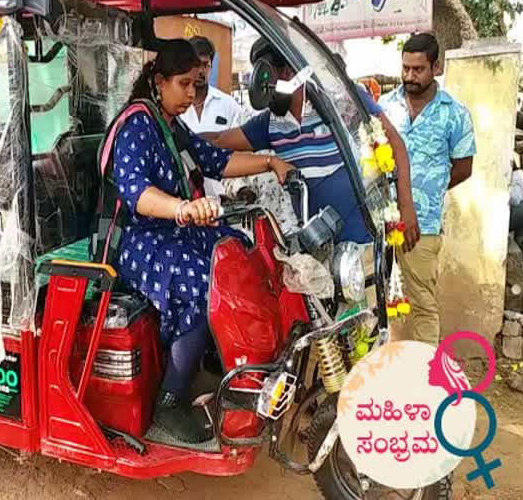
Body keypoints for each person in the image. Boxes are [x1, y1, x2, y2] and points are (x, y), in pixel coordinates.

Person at [111, 39, 293, 443]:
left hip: (176, 229)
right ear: (159, 82)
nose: (191, 94)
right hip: (142, 240)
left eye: (196, 85)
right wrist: (182, 208)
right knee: (203, 284)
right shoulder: (137, 124)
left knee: (237, 248)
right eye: (184, 85)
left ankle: (226, 361)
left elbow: (218, 160)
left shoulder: (172, 126)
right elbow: (135, 192)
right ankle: (171, 401)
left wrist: (269, 162)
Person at [203, 38, 419, 248]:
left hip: (362, 242)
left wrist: (406, 207)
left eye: (268, 78)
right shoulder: (269, 123)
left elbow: (395, 142)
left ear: (287, 72)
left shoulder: (340, 101)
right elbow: (220, 139)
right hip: (318, 245)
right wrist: (175, 132)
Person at [378, 33, 476, 346]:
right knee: (380, 304)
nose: (409, 76)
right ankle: (386, 369)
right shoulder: (384, 108)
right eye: (405, 68)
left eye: (417, 69)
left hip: (423, 227)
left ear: (435, 67)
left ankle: (423, 377)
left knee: (422, 303)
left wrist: (428, 192)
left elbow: (463, 168)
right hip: (379, 221)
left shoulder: (454, 114)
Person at [179, 36, 244, 198]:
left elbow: (239, 152)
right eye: (196, 64)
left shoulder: (228, 105)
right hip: (186, 204)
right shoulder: (177, 107)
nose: (201, 71)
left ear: (211, 66)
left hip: (223, 202)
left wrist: (238, 189)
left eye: (205, 65)